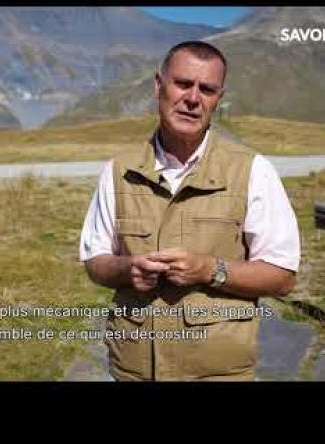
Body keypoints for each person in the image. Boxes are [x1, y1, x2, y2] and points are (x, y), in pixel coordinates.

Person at [79, 40, 300, 381]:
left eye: (207, 89)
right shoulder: (118, 171)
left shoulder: (254, 171)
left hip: (220, 374)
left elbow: (283, 277)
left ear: (218, 99)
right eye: (183, 83)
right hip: (132, 372)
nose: (193, 98)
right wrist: (127, 269)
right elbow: (95, 262)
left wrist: (210, 270)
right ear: (158, 86)